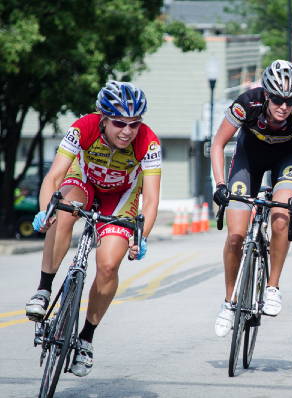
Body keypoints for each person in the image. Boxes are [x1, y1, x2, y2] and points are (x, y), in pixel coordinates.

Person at [25, 80, 161, 377]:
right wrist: (45, 209)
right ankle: (44, 289)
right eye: (119, 123)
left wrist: (142, 236)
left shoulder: (148, 142)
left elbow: (150, 199)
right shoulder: (83, 127)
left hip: (120, 197)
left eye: (134, 124)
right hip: (82, 182)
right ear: (103, 119)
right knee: (63, 212)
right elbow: (54, 177)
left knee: (109, 265)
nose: (127, 131)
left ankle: (86, 338)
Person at [210, 60, 292, 337]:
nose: (284, 107)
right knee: (236, 235)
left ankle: (272, 287)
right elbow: (218, 144)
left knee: (280, 218)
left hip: (288, 159)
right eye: (278, 100)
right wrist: (221, 184)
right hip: (250, 159)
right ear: (266, 95)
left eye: (290, 100)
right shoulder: (247, 103)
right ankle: (229, 302)